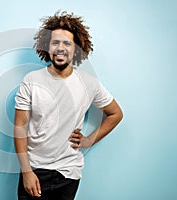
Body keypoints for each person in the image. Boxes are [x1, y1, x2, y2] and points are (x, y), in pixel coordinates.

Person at [13, 11, 123, 200]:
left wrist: (88, 140)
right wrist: (27, 172)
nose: (60, 48)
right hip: (35, 171)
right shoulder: (31, 81)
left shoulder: (89, 83)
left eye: (67, 43)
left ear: (76, 48)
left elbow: (115, 114)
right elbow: (19, 128)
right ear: (47, 47)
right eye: (55, 42)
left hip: (69, 174)